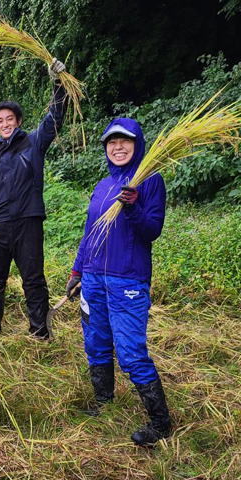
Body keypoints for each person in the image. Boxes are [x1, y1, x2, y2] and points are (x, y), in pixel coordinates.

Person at [66, 118, 172, 446]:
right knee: (96, 343)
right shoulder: (101, 186)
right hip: (95, 279)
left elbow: (152, 230)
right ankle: (104, 404)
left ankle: (161, 423)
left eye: (124, 141)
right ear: (106, 148)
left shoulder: (150, 180)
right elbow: (90, 234)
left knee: (129, 353)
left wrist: (132, 208)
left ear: (137, 144)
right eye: (112, 142)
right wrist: (77, 272)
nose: (118, 147)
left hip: (128, 281)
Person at [0, 58, 67, 337]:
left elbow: (55, 119)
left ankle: (39, 330)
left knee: (33, 279)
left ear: (18, 121)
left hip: (28, 222)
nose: (5, 124)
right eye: (0, 121)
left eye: (9, 119)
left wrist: (58, 84)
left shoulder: (33, 143)